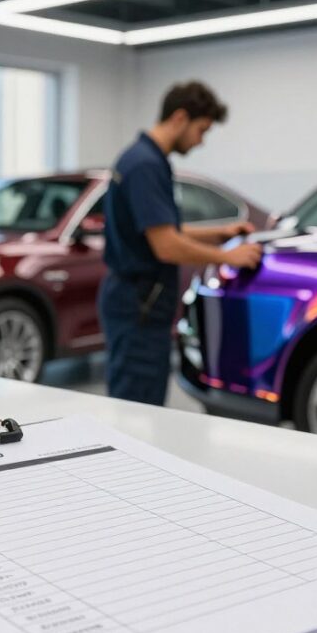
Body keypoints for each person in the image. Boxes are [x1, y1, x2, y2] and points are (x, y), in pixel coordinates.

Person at [99, 81, 263, 406]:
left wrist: (221, 233)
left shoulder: (144, 158)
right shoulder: (145, 165)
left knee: (138, 398)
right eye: (201, 130)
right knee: (137, 408)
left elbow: (161, 229)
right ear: (179, 118)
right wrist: (227, 257)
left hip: (138, 302)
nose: (201, 141)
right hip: (138, 307)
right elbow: (166, 246)